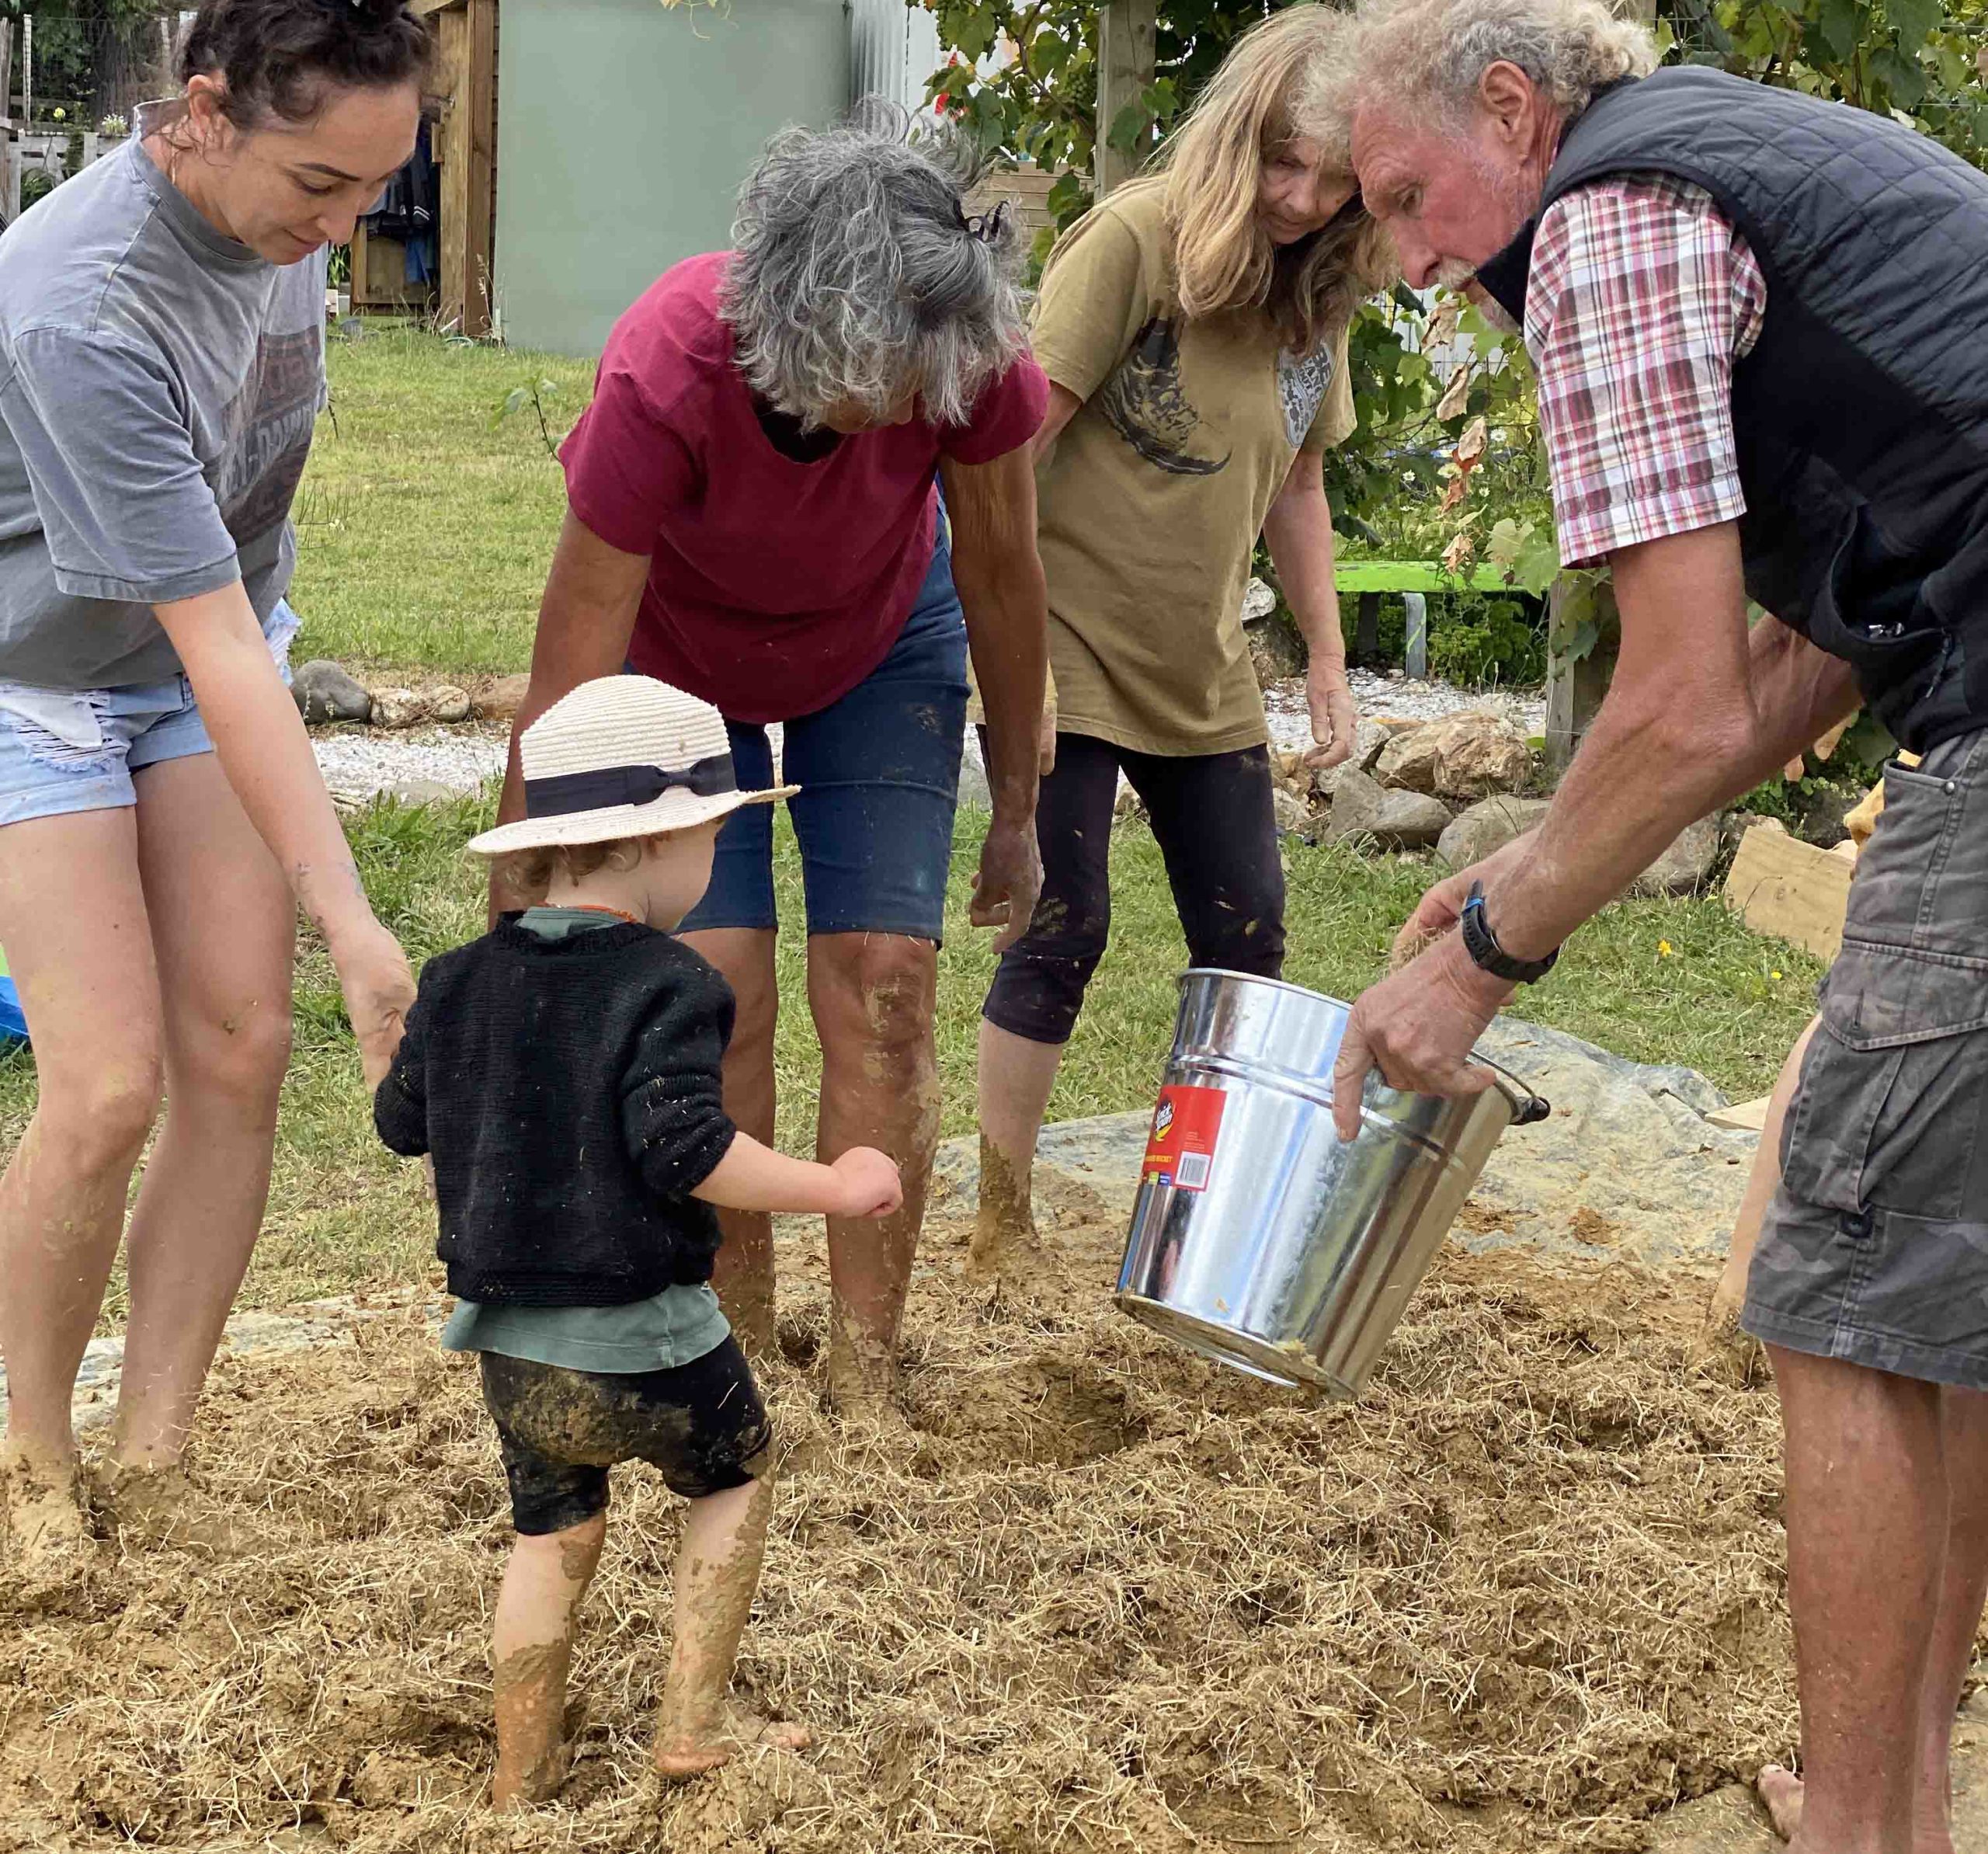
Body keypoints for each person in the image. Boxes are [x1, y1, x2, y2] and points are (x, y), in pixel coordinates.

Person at [1336, 4, 1988, 1850]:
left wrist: (1483, 956)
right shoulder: (1752, 168)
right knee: (1940, 1294)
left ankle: (1862, 1829)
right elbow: (1792, 671)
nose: (1405, 258)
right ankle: (1905, 1795)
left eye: (1404, 198)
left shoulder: (1606, 222)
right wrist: (1509, 869)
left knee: (1835, 1290)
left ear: (1513, 111)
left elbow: (1683, 697)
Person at [500, 113, 1050, 1421]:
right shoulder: (667, 366)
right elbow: (575, 651)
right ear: (824, 327)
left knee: (887, 987)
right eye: (903, 373)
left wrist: (1018, 803)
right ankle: (731, 1339)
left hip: (884, 643)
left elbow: (1002, 576)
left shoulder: (970, 362)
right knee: (716, 991)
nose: (930, 398)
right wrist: (524, 898)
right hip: (679, 663)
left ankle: (866, 1368)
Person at [0, 0, 424, 1576]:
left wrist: (316, 927)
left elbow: (236, 603)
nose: (342, 228)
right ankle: (32, 1465)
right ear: (201, 113)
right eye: (320, 185)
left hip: (200, 648)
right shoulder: (77, 307)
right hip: (28, 675)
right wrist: (354, 917)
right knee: (107, 1086)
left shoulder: (292, 222)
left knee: (239, 1046)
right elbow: (224, 651)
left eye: (375, 190)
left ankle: (158, 1449)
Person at [377, 677, 902, 1807]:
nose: (712, 861)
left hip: (511, 1346)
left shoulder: (459, 980)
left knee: (550, 1533)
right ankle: (694, 1723)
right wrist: (834, 1183)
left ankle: (523, 1773)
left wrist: (411, 1038)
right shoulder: (670, 980)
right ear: (661, 838)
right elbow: (686, 1150)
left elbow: (400, 1121)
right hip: (647, 1330)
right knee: (736, 1475)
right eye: (715, 836)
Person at [971, 5, 1391, 1278]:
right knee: (1066, 918)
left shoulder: (1320, 301)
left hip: (1201, 662)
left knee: (1250, 935)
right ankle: (1000, 1216)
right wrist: (1012, 664)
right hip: (1068, 634)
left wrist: (1322, 656)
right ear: (1238, 134)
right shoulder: (1136, 241)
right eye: (1284, 163)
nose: (1302, 197)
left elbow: (1300, 491)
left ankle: (1195, 1208)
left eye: (1335, 180)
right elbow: (1012, 449)